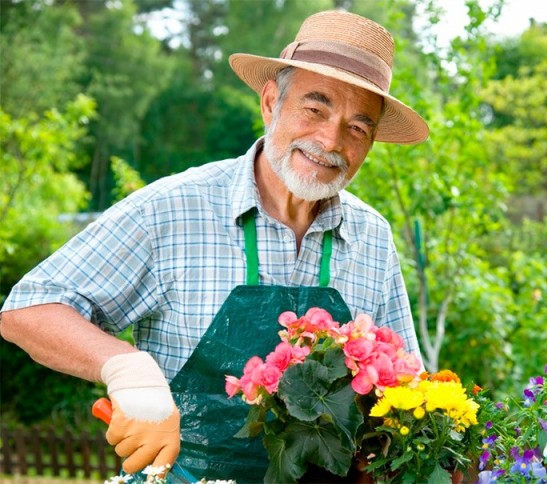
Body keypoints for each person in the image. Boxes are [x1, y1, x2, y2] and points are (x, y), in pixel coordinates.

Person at [0, 9, 428, 482]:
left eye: (357, 127)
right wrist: (128, 369)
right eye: (315, 108)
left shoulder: (372, 237)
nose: (329, 139)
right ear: (270, 102)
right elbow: (29, 308)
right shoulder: (173, 208)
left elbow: (406, 384)